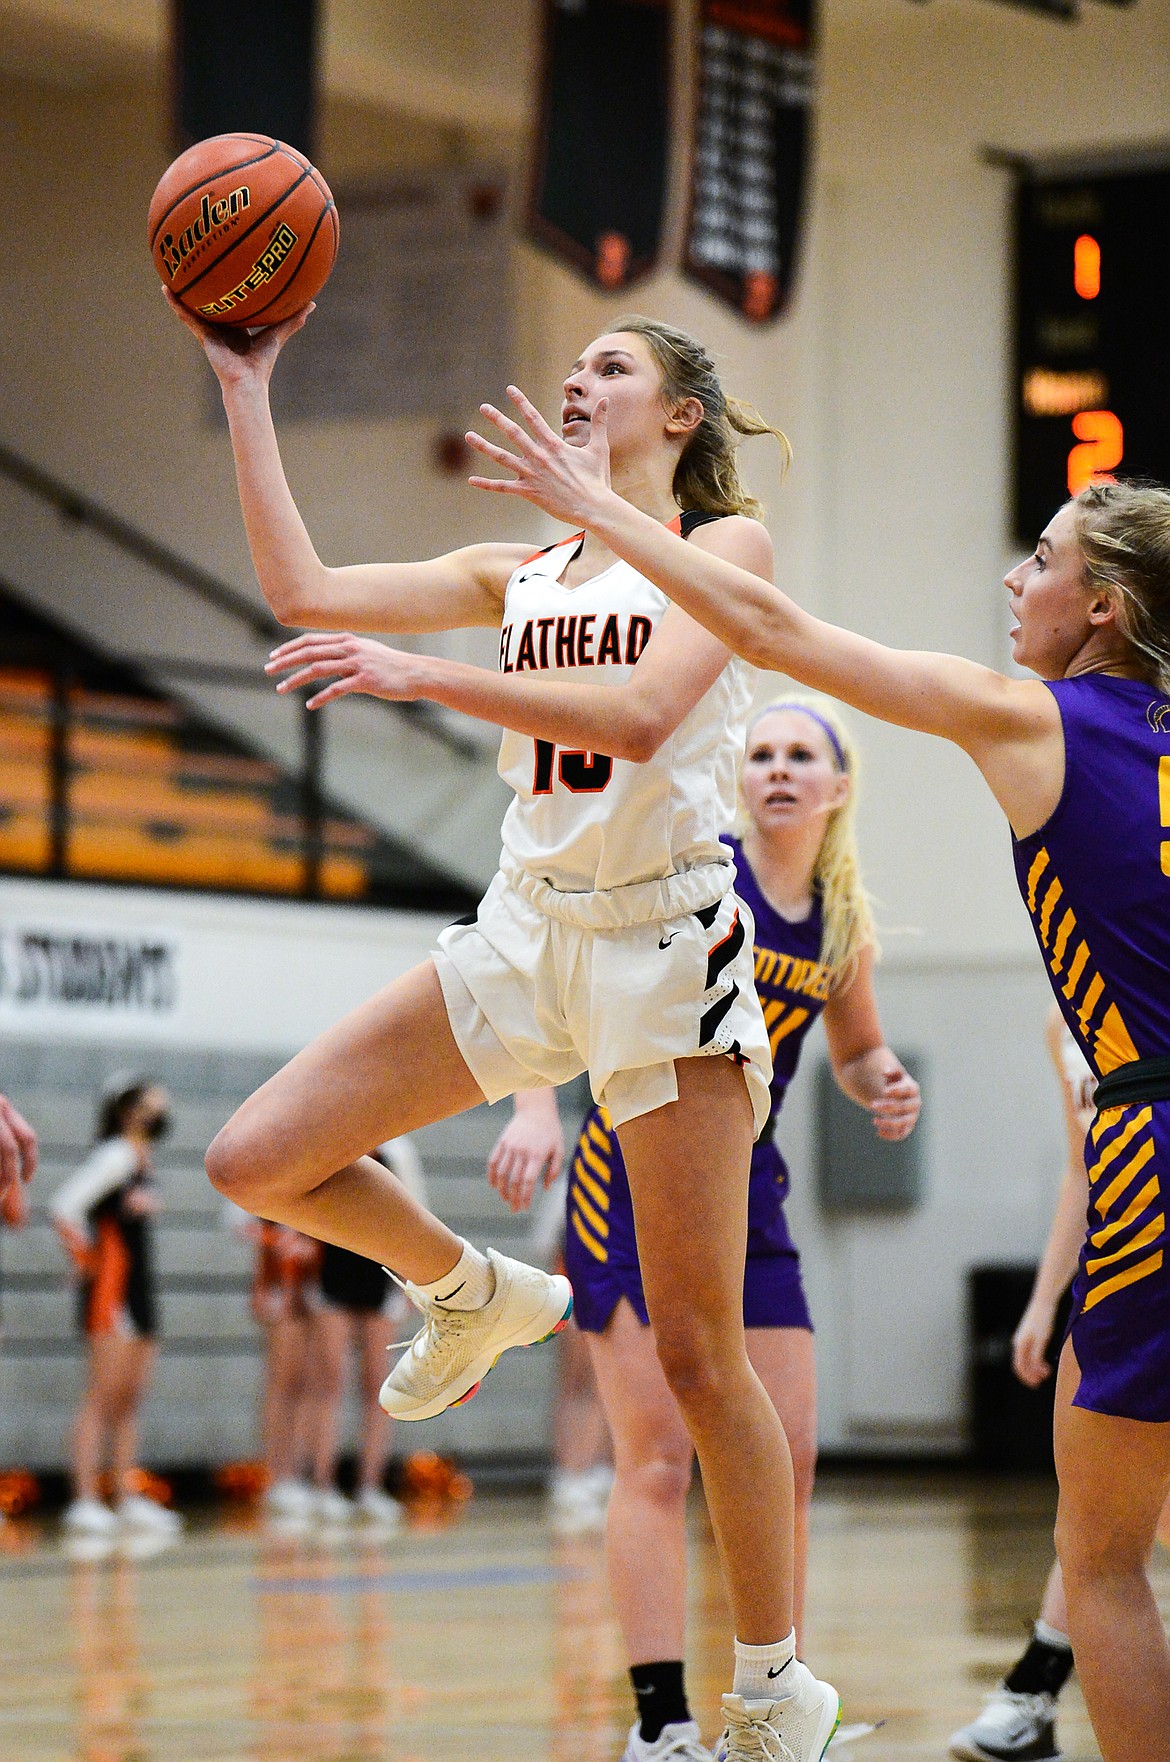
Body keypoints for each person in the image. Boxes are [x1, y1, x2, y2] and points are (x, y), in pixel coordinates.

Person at [165, 292, 842, 1762]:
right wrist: (243, 388)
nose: (580, 375)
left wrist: (429, 676)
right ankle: (471, 1286)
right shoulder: (518, 562)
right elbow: (302, 587)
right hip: (526, 928)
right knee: (254, 1155)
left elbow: (652, 713)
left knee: (698, 1357)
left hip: (667, 944)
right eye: (575, 360)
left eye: (616, 364)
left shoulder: (724, 551)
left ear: (679, 416)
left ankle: (775, 1684)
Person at [463, 389, 1170, 1762]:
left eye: (1040, 557)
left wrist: (604, 509)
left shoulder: (1042, 720)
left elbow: (777, 634)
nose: (1013, 578)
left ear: (1103, 609)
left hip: (1149, 1141)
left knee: (1102, 1559)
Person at [497, 699, 919, 1761]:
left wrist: (883, 1080)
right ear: (739, 778)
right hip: (634, 1173)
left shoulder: (839, 920)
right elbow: (552, 966)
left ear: (839, 787)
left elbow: (858, 1044)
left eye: (801, 756)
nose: (777, 769)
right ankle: (659, 1720)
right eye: (761, 752)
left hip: (753, 1187)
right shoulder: (696, 874)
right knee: (655, 1462)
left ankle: (779, 1704)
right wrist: (532, 1105)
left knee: (786, 1454)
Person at [950, 1005, 1092, 1762]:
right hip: (1121, 1269)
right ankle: (1033, 1694)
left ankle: (1033, 1687)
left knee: (1113, 1505)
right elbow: (1083, 1168)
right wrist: (1044, 1300)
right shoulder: (1058, 1022)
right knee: (1102, 1497)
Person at [50, 1074, 181, 1537]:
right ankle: (84, 1500)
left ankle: (124, 1498)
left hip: (141, 1288)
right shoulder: (116, 1155)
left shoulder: (141, 1158)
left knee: (129, 1400)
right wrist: (87, 1262)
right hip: (113, 1291)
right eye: (152, 1101)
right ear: (127, 1110)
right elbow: (64, 1207)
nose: (162, 1109)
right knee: (101, 1397)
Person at [488, 1091, 613, 1533]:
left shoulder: (634, 1183)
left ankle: (598, 1467)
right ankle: (570, 1470)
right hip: (578, 1296)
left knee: (606, 1388)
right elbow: (546, 1246)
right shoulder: (572, 1184)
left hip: (618, 1297)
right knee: (577, 1384)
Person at [307, 1139, 426, 1528]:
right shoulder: (333, 1141)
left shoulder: (399, 1152)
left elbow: (415, 1215)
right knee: (329, 1380)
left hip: (380, 1276)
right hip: (331, 1273)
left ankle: (369, 1487)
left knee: (378, 1382)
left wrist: (413, 1283)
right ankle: (322, 1488)